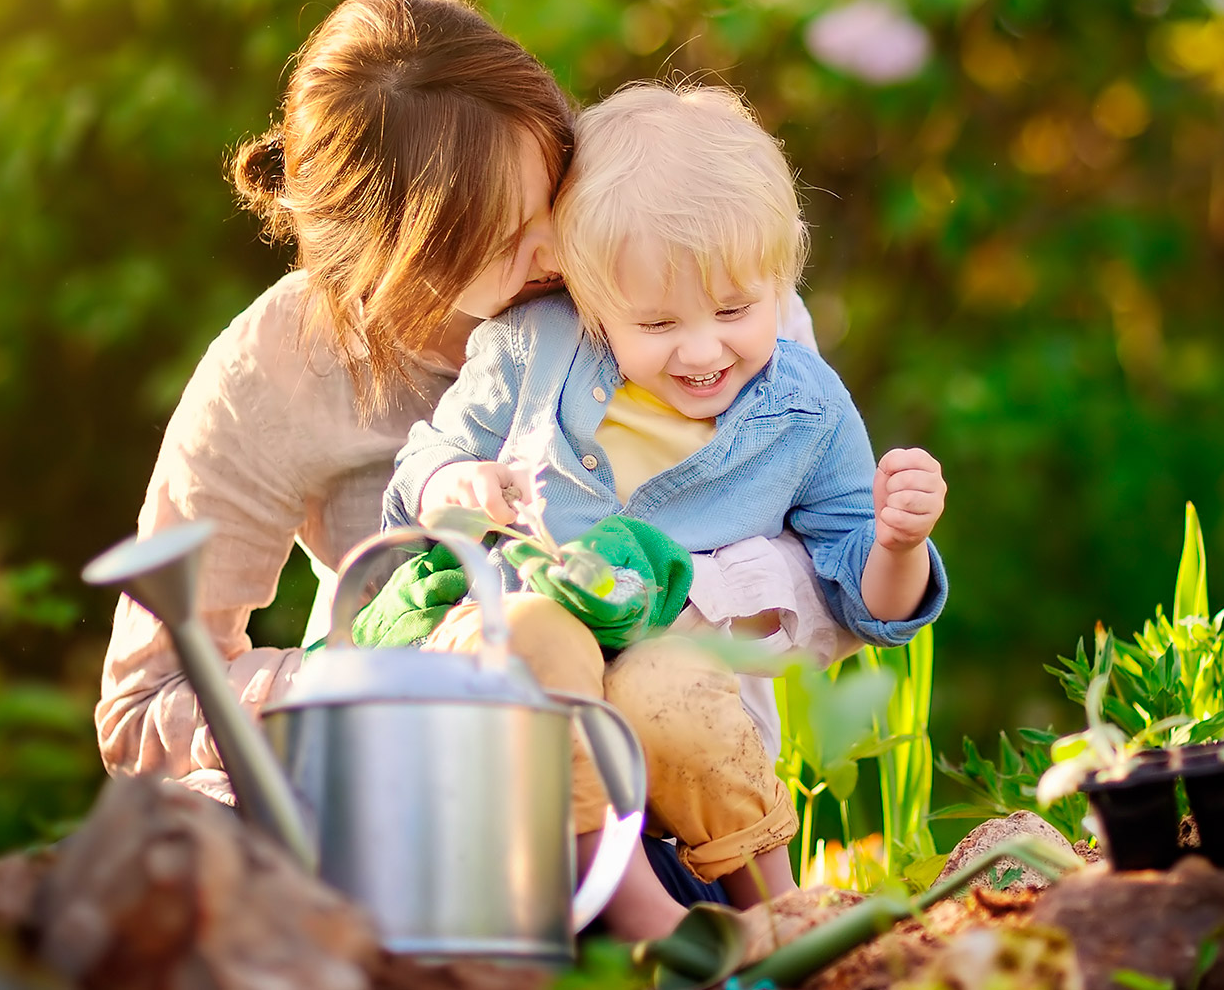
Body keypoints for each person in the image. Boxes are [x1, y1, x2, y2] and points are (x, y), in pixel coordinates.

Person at [94, 0, 835, 829]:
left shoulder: (675, 263)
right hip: (406, 810)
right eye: (501, 237)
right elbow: (142, 703)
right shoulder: (284, 360)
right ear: (392, 262)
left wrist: (665, 598)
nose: (560, 248)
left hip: (670, 799)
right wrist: (376, 679)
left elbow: (838, 554)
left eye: (556, 179)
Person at [381, 82, 949, 940]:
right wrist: (449, 484)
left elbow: (864, 600)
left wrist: (899, 544)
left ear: (780, 279)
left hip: (672, 688)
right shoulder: (535, 347)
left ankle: (780, 912)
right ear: (593, 303)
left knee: (669, 675)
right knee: (537, 632)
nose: (701, 348)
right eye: (656, 321)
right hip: (517, 664)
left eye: (732, 310)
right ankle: (631, 906)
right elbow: (419, 463)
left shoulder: (805, 411)